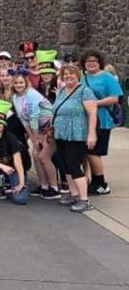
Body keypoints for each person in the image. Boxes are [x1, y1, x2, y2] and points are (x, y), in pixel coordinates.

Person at [52, 63, 98, 213]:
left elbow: (92, 113)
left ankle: (84, 199)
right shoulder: (61, 91)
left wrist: (91, 134)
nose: (68, 76)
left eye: (71, 73)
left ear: (78, 75)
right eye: (65, 74)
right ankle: (74, 194)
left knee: (73, 164)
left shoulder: (85, 91)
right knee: (65, 165)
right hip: (61, 133)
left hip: (77, 134)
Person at [80, 49, 123, 195]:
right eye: (88, 61)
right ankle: (90, 180)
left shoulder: (107, 77)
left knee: (93, 152)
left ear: (99, 63)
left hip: (102, 120)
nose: (91, 64)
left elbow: (115, 98)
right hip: (85, 120)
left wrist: (95, 103)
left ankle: (101, 183)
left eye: (94, 61)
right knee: (87, 152)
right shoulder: (82, 77)